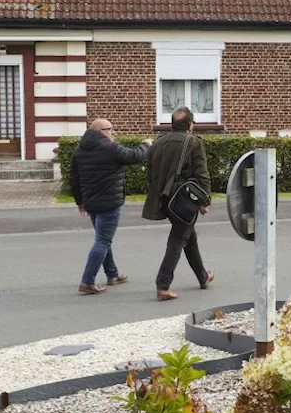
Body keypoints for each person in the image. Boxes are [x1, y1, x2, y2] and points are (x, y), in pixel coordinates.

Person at [69, 119, 152, 294]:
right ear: (101, 131)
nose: (113, 132)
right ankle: (87, 281)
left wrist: (79, 202)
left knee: (103, 238)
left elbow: (74, 179)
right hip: (109, 202)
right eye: (110, 129)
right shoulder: (110, 148)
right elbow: (134, 156)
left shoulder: (80, 150)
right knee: (102, 241)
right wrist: (146, 144)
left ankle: (112, 274)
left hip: (91, 202)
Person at [143, 107, 213, 301]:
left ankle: (203, 276)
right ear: (190, 125)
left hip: (164, 199)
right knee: (178, 238)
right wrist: (204, 200)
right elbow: (201, 173)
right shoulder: (193, 142)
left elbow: (150, 174)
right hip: (183, 200)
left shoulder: (158, 143)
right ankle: (162, 285)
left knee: (187, 236)